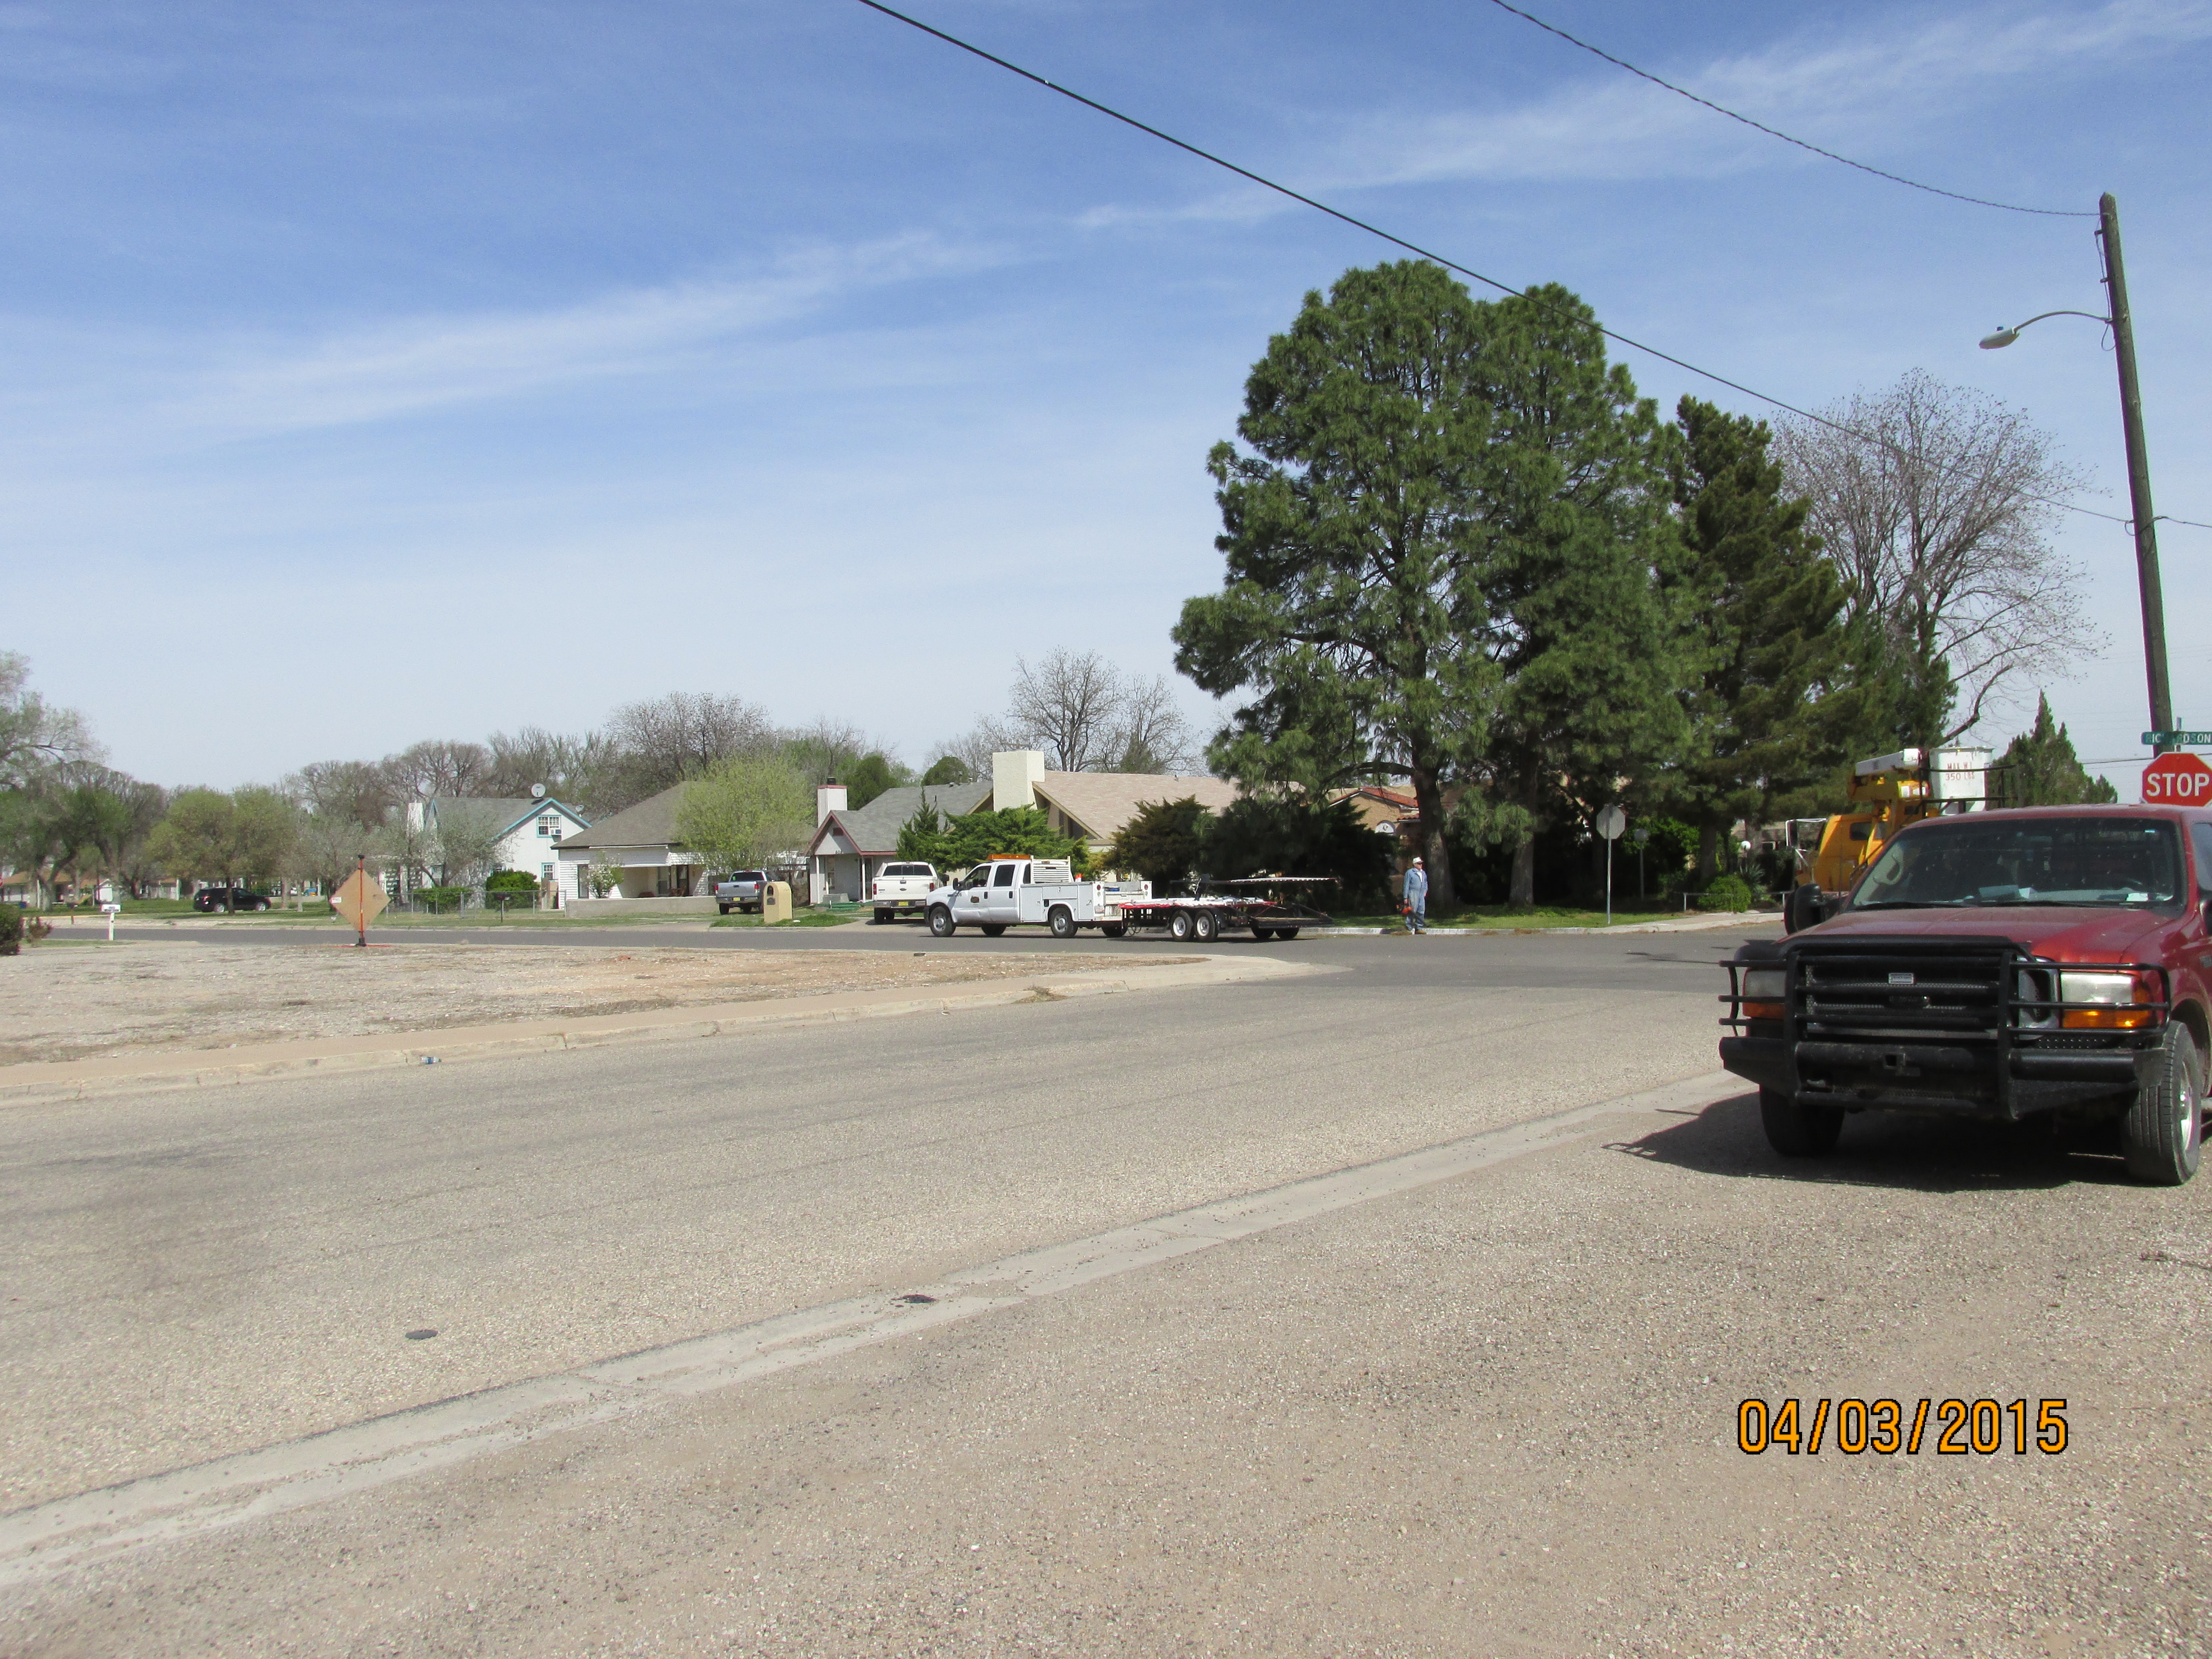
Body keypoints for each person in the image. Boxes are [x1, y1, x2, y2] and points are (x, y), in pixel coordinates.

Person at [1402, 855, 1429, 934]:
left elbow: (1426, 883)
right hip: (1413, 893)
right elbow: (1406, 885)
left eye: (1421, 863)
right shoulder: (1410, 873)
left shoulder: (1423, 873)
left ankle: (1419, 928)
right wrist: (1406, 897)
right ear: (1415, 864)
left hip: (1421, 893)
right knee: (1412, 911)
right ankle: (1408, 928)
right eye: (1419, 864)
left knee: (1421, 910)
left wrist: (1425, 891)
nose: (1421, 865)